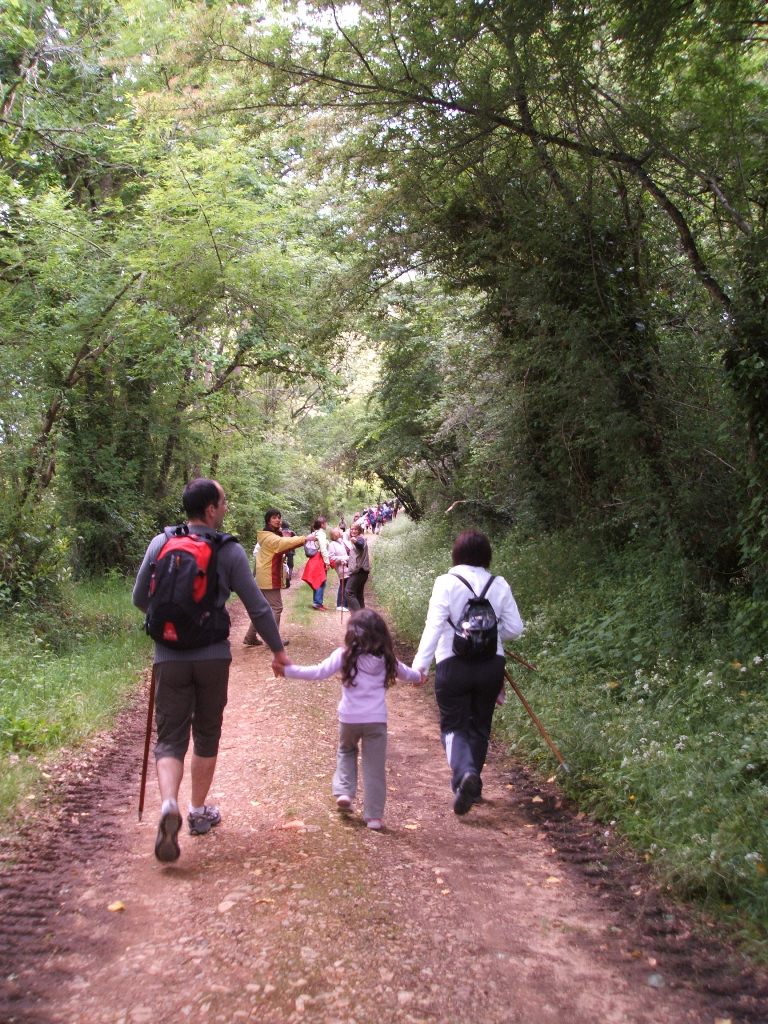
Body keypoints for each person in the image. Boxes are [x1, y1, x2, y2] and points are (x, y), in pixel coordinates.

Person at [133, 478, 291, 863]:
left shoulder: (161, 543)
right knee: (206, 732)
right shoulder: (229, 550)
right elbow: (257, 606)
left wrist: (172, 628)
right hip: (213, 657)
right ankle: (198, 811)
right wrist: (277, 651)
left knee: (170, 737)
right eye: (223, 501)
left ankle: (169, 802)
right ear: (210, 510)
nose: (225, 507)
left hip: (168, 656)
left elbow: (141, 599)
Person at [411, 528, 524, 816]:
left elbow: (434, 625)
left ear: (456, 553)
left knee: (453, 725)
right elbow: (514, 628)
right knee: (480, 726)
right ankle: (472, 786)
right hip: (491, 666)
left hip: (452, 661)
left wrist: (420, 666)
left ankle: (464, 775)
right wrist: (488, 635)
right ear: (487, 555)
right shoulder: (499, 584)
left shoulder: (446, 582)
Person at [277, 610, 423, 829]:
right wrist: (420, 676)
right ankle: (373, 817)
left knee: (346, 751)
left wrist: (288, 671)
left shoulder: (343, 655)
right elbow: (408, 674)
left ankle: (345, 792)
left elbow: (317, 672)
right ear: (381, 635)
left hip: (349, 719)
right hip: (376, 721)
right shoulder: (387, 659)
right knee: (374, 767)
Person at [243, 508, 311, 648]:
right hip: (269, 576)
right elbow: (281, 544)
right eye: (274, 517)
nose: (278, 519)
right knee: (276, 607)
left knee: (263, 608)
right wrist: (305, 538)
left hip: (264, 575)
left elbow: (283, 544)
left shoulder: (271, 534)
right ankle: (272, 640)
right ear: (268, 520)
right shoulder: (268, 536)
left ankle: (250, 637)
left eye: (279, 517)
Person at [302, 515, 330, 609]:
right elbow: (323, 549)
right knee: (321, 581)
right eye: (326, 523)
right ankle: (317, 603)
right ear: (322, 524)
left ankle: (318, 602)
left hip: (314, 559)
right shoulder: (321, 534)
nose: (327, 525)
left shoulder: (315, 532)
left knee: (318, 580)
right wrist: (327, 562)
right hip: (319, 559)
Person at [345, 523, 370, 611]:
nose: (353, 531)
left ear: (359, 530)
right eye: (352, 529)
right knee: (359, 594)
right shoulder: (358, 539)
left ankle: (358, 616)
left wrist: (355, 541)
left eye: (355, 529)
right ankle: (363, 618)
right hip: (362, 571)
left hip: (359, 571)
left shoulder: (360, 539)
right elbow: (357, 555)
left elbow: (360, 546)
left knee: (349, 592)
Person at [327, 526, 351, 610]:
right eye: (340, 530)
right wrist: (342, 559)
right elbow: (331, 558)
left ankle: (342, 604)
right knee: (344, 584)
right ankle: (342, 605)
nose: (341, 530)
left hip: (347, 565)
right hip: (341, 566)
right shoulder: (332, 544)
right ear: (336, 534)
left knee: (345, 584)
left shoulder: (341, 541)